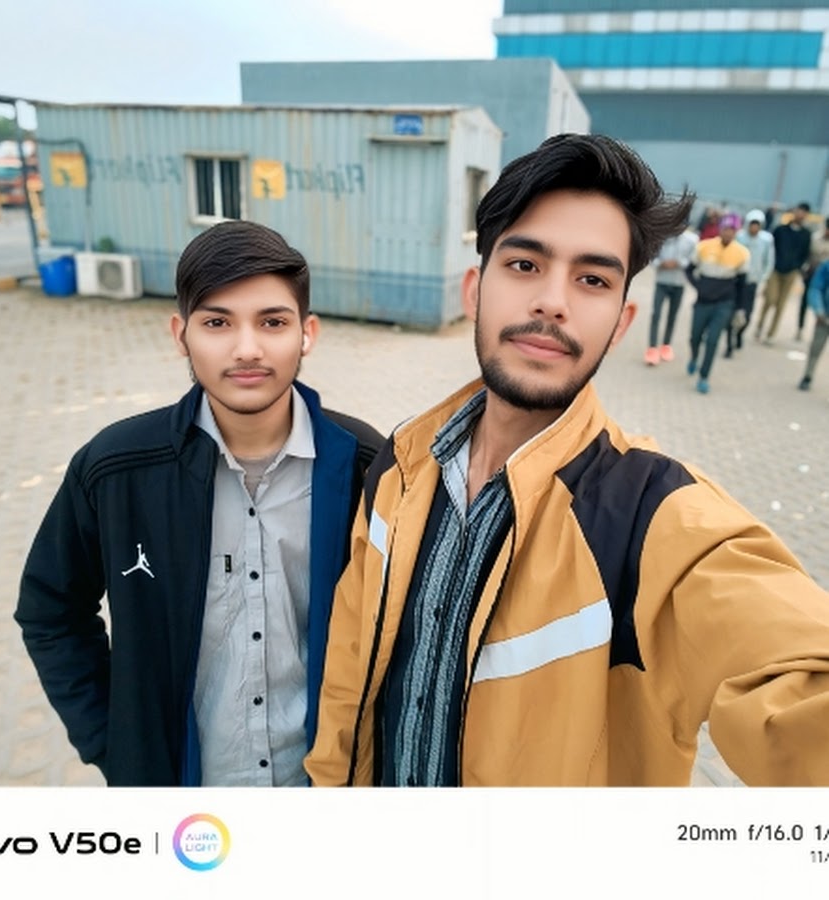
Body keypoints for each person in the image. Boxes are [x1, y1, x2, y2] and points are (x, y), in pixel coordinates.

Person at [304, 133, 829, 788]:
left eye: (592, 279)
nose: (553, 301)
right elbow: (350, 666)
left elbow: (794, 675)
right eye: (525, 264)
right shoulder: (401, 463)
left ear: (621, 322)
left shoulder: (653, 517)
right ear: (474, 291)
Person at [15, 220, 384, 786]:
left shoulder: (366, 465)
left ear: (307, 333)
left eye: (273, 322)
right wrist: (115, 742)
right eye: (217, 322)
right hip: (186, 792)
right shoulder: (115, 470)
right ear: (180, 334)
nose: (247, 349)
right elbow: (51, 611)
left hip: (325, 785)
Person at [684, 212, 749, 393]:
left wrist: (740, 308)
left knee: (713, 340)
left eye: (732, 230)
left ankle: (704, 376)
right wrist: (698, 286)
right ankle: (694, 358)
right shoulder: (704, 247)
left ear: (736, 232)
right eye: (726, 229)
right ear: (721, 229)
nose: (729, 233)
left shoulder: (742, 253)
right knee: (695, 337)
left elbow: (742, 285)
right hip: (703, 301)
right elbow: (689, 270)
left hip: (724, 303)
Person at [755, 202, 812, 344]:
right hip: (775, 269)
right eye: (799, 211)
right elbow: (771, 248)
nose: (801, 214)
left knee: (781, 304)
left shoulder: (806, 234)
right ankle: (760, 325)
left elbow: (805, 253)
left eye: (804, 212)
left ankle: (771, 334)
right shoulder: (781, 229)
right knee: (770, 298)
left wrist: (797, 266)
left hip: (791, 272)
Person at [643, 222, 697, 366]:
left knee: (672, 316)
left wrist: (679, 262)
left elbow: (693, 260)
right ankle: (652, 348)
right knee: (656, 314)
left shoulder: (691, 240)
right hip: (662, 282)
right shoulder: (661, 238)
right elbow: (652, 257)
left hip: (679, 284)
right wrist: (661, 263)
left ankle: (666, 346)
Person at [726, 208, 774, 358]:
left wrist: (762, 278)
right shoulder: (739, 237)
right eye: (752, 224)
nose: (754, 228)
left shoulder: (766, 240)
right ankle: (729, 345)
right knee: (731, 312)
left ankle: (740, 333)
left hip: (752, 282)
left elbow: (769, 261)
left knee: (747, 314)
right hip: (736, 281)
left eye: (757, 225)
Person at [798, 258, 829, 391]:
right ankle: (808, 375)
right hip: (825, 316)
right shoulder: (827, 266)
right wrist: (819, 310)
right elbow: (816, 287)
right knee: (816, 347)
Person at [797, 216, 829, 341]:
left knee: (823, 306)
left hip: (826, 280)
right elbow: (806, 254)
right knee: (805, 302)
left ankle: (819, 329)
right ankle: (800, 327)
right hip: (811, 274)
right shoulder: (815, 238)